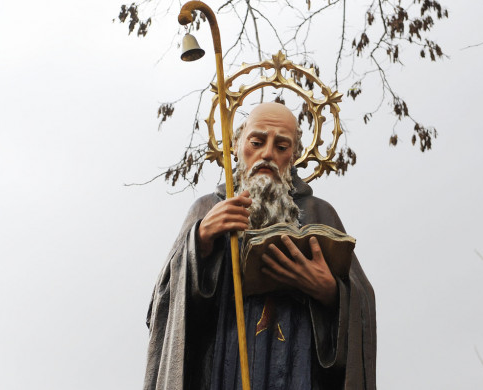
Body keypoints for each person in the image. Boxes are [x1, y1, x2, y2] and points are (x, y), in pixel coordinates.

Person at [143, 103, 376, 390]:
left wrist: (330, 292)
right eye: (257, 141)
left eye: (281, 146)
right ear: (237, 144)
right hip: (221, 366)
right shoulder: (207, 209)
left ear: (294, 157)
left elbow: (362, 305)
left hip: (295, 367)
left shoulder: (319, 214)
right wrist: (201, 240)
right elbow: (162, 305)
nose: (267, 154)